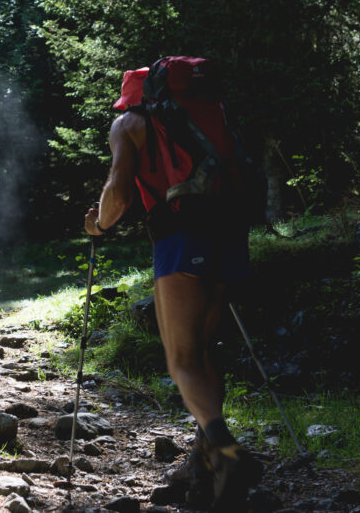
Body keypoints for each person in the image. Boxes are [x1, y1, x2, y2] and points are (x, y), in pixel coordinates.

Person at [83, 64, 262, 511]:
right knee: (204, 349)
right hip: (229, 231)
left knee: (181, 359)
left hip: (181, 236)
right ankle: (206, 462)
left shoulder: (130, 123)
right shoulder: (207, 115)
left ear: (131, 99)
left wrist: (98, 225)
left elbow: (119, 194)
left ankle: (226, 451)